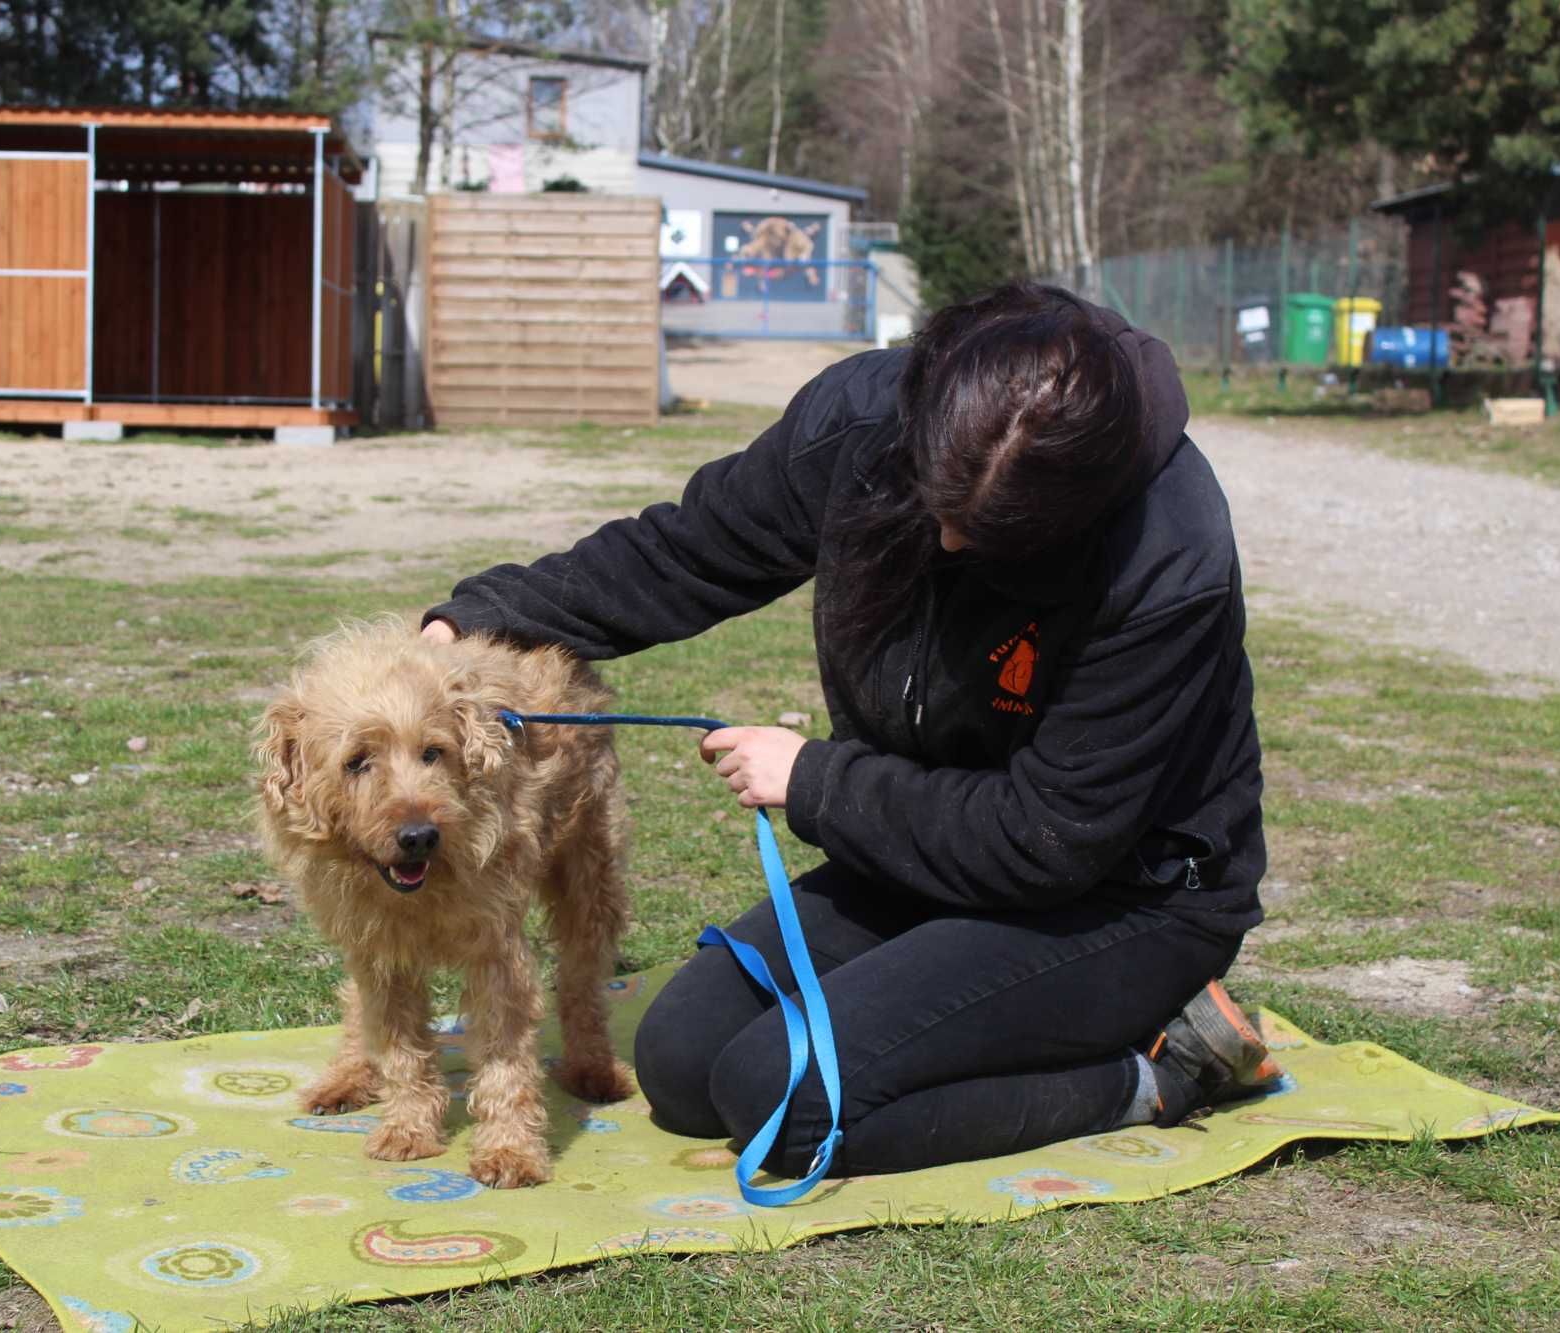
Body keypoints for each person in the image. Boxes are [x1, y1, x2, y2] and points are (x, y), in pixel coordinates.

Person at [418, 282, 1276, 1178]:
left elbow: (1047, 839)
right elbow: (685, 551)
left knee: (778, 1100)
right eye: (937, 503)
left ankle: (1155, 1074)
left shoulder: (1168, 556)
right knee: (680, 1064)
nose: (944, 544)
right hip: (918, 857)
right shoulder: (864, 418)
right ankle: (987, 1021)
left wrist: (816, 780)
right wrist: (476, 620)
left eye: (988, 538)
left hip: (1120, 893)